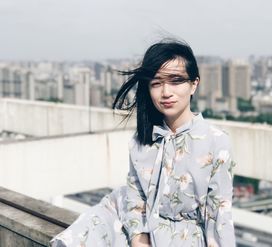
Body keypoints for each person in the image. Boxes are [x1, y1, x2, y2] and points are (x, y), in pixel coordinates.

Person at [50, 39, 236, 247]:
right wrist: (139, 237)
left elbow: (219, 217)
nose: (166, 92)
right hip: (135, 228)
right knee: (101, 216)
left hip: (185, 240)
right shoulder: (142, 139)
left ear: (194, 84)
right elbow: (135, 195)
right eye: (156, 83)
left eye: (176, 81)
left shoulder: (216, 141)